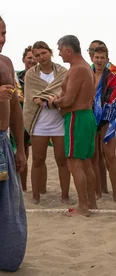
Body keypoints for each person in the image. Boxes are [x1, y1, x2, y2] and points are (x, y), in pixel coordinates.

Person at [49, 35, 97, 217]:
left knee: (74, 162)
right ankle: (91, 202)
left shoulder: (78, 69)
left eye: (60, 50)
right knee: (85, 162)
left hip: (77, 117)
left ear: (68, 50)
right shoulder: (84, 67)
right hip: (85, 116)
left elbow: (69, 100)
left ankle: (83, 207)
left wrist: (53, 102)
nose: (59, 54)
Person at [23, 41, 70, 204]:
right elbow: (31, 97)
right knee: (37, 159)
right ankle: (35, 196)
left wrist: (50, 99)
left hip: (58, 120)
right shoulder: (31, 75)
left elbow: (66, 93)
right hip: (39, 122)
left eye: (43, 53)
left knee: (62, 160)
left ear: (50, 52)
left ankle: (65, 196)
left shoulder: (63, 72)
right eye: (37, 55)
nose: (41, 57)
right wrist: (45, 100)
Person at [0, 15, 28, 272]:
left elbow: (16, 110)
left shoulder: (6, 63)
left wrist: (20, 147)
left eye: (4, 33)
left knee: (8, 206)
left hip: (2, 141)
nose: (1, 39)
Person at [91, 45, 116, 202]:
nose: (99, 60)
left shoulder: (112, 77)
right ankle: (98, 192)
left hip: (106, 119)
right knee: (94, 157)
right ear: (92, 58)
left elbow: (113, 99)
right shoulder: (86, 74)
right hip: (89, 119)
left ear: (107, 60)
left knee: (110, 156)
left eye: (102, 58)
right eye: (97, 57)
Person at [14, 45, 44, 191]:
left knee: (39, 156)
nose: (32, 60)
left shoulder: (41, 77)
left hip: (37, 118)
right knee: (21, 152)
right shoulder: (16, 78)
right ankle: (23, 188)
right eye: (29, 58)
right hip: (19, 119)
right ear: (23, 59)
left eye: (35, 57)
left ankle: (41, 189)